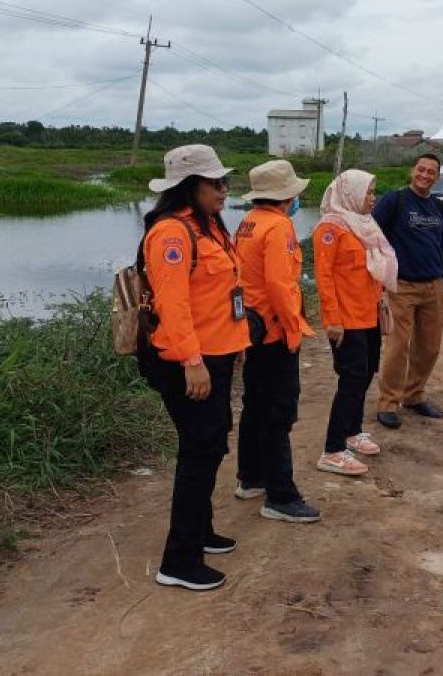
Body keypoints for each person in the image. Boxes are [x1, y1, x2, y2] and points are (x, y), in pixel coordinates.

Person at [139, 144, 249, 591]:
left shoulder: (207, 226)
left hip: (214, 356)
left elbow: (221, 294)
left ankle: (200, 533)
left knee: (210, 445)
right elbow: (174, 305)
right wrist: (192, 362)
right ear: (190, 186)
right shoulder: (171, 233)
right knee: (198, 453)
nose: (225, 189)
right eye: (216, 183)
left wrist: (235, 343)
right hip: (186, 362)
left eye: (226, 181)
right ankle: (179, 561)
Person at [233, 160, 321, 523]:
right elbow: (280, 287)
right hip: (271, 331)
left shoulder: (247, 222)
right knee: (278, 413)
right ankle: (280, 495)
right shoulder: (279, 227)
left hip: (250, 329)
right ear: (287, 195)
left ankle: (250, 477)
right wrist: (293, 328)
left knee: (255, 405)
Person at [312, 169, 398, 476]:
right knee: (351, 379)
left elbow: (371, 269)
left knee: (365, 374)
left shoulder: (364, 224)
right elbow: (324, 278)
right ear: (351, 194)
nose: (372, 198)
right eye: (368, 192)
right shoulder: (330, 228)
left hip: (368, 315)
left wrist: (381, 297)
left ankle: (352, 431)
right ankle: (333, 450)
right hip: (345, 320)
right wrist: (332, 319)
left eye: (374, 192)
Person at [371, 153, 443, 430]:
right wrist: (378, 273)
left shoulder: (439, 207)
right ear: (412, 171)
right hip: (401, 287)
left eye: (431, 172)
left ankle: (414, 395)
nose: (425, 175)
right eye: (421, 169)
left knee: (429, 347)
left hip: (434, 285)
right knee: (397, 347)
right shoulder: (394, 201)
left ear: (437, 177)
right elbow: (371, 234)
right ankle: (388, 402)